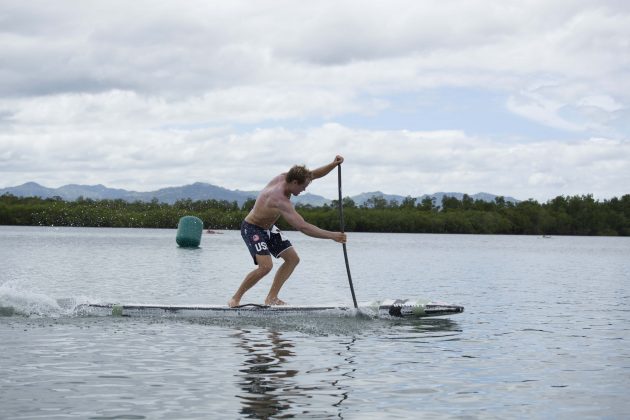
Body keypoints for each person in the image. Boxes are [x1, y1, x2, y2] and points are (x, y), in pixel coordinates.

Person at [228, 155, 347, 307]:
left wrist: (333, 164)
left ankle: (271, 298)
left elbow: (314, 174)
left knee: (293, 259)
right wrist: (332, 236)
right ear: (294, 182)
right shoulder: (279, 200)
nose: (304, 190)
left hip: (268, 228)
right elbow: (303, 227)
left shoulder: (288, 177)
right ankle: (235, 299)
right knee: (265, 267)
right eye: (303, 187)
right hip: (252, 228)